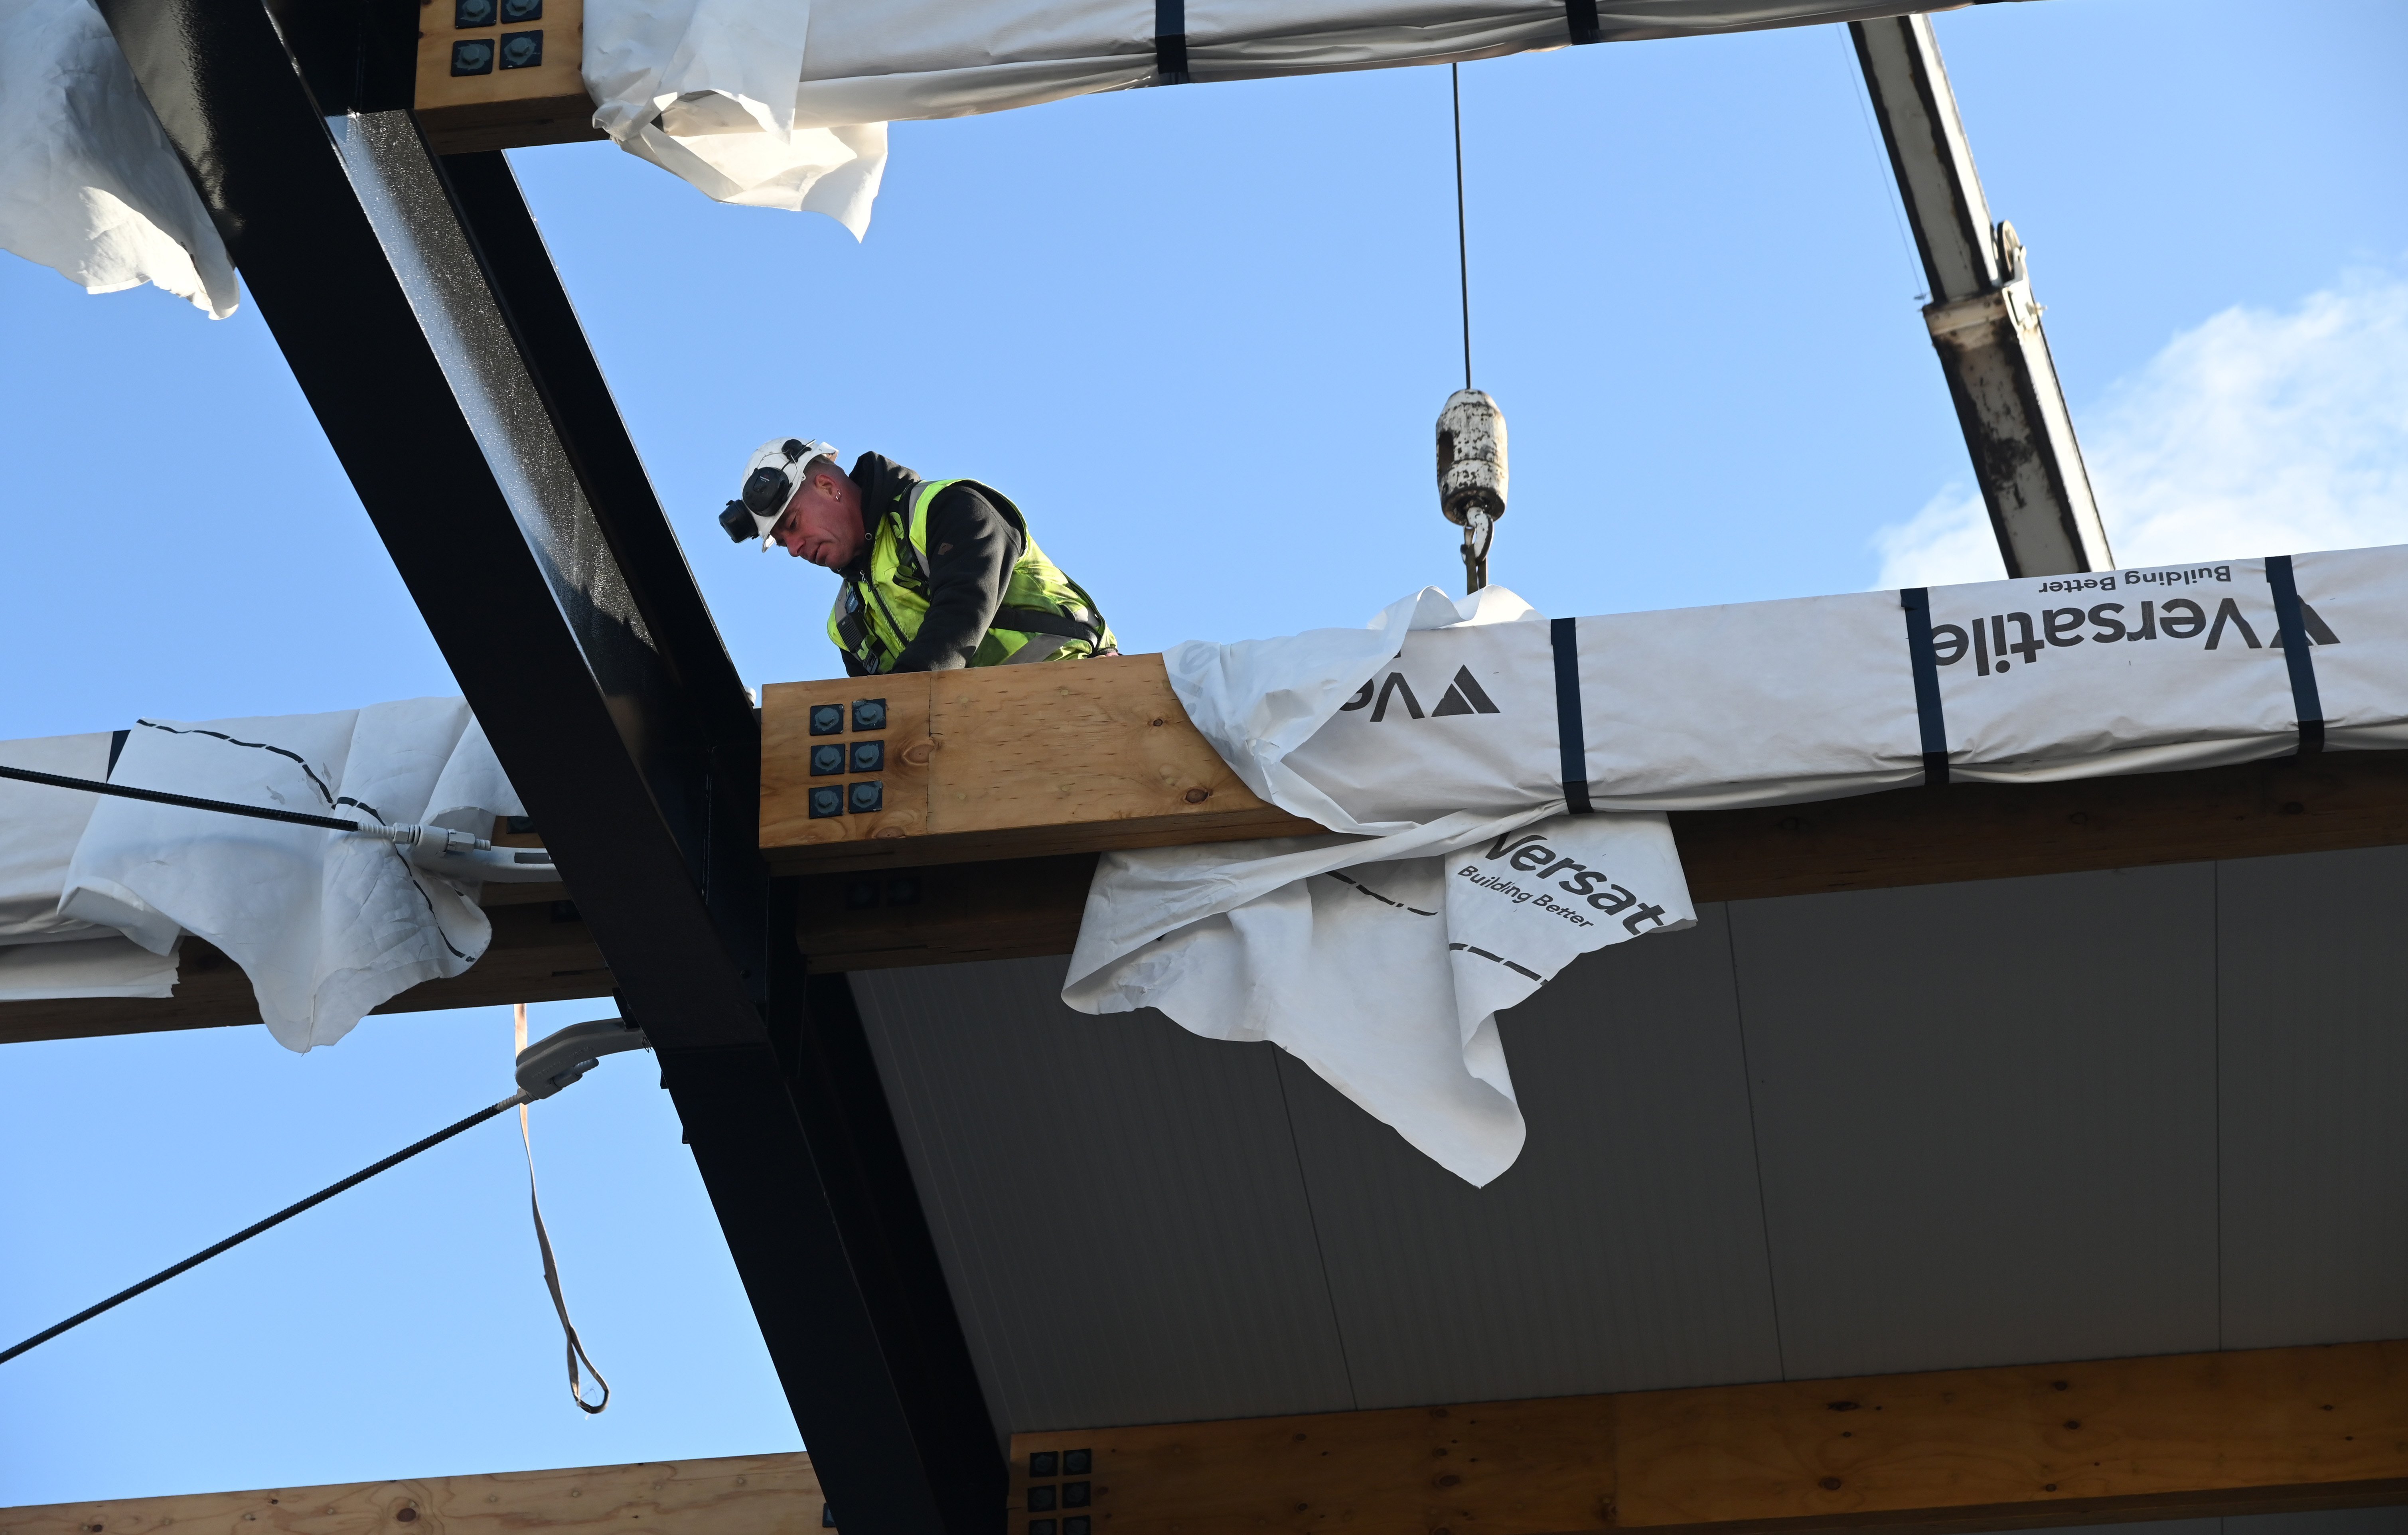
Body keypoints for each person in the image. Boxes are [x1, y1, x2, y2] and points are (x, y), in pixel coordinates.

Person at [721, 438, 1117, 676]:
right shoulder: (848, 623)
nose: (794, 548)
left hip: (1082, 697)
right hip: (990, 766)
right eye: (781, 541)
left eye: (792, 524)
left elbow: (961, 612)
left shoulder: (947, 509)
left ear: (826, 486)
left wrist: (899, 702)